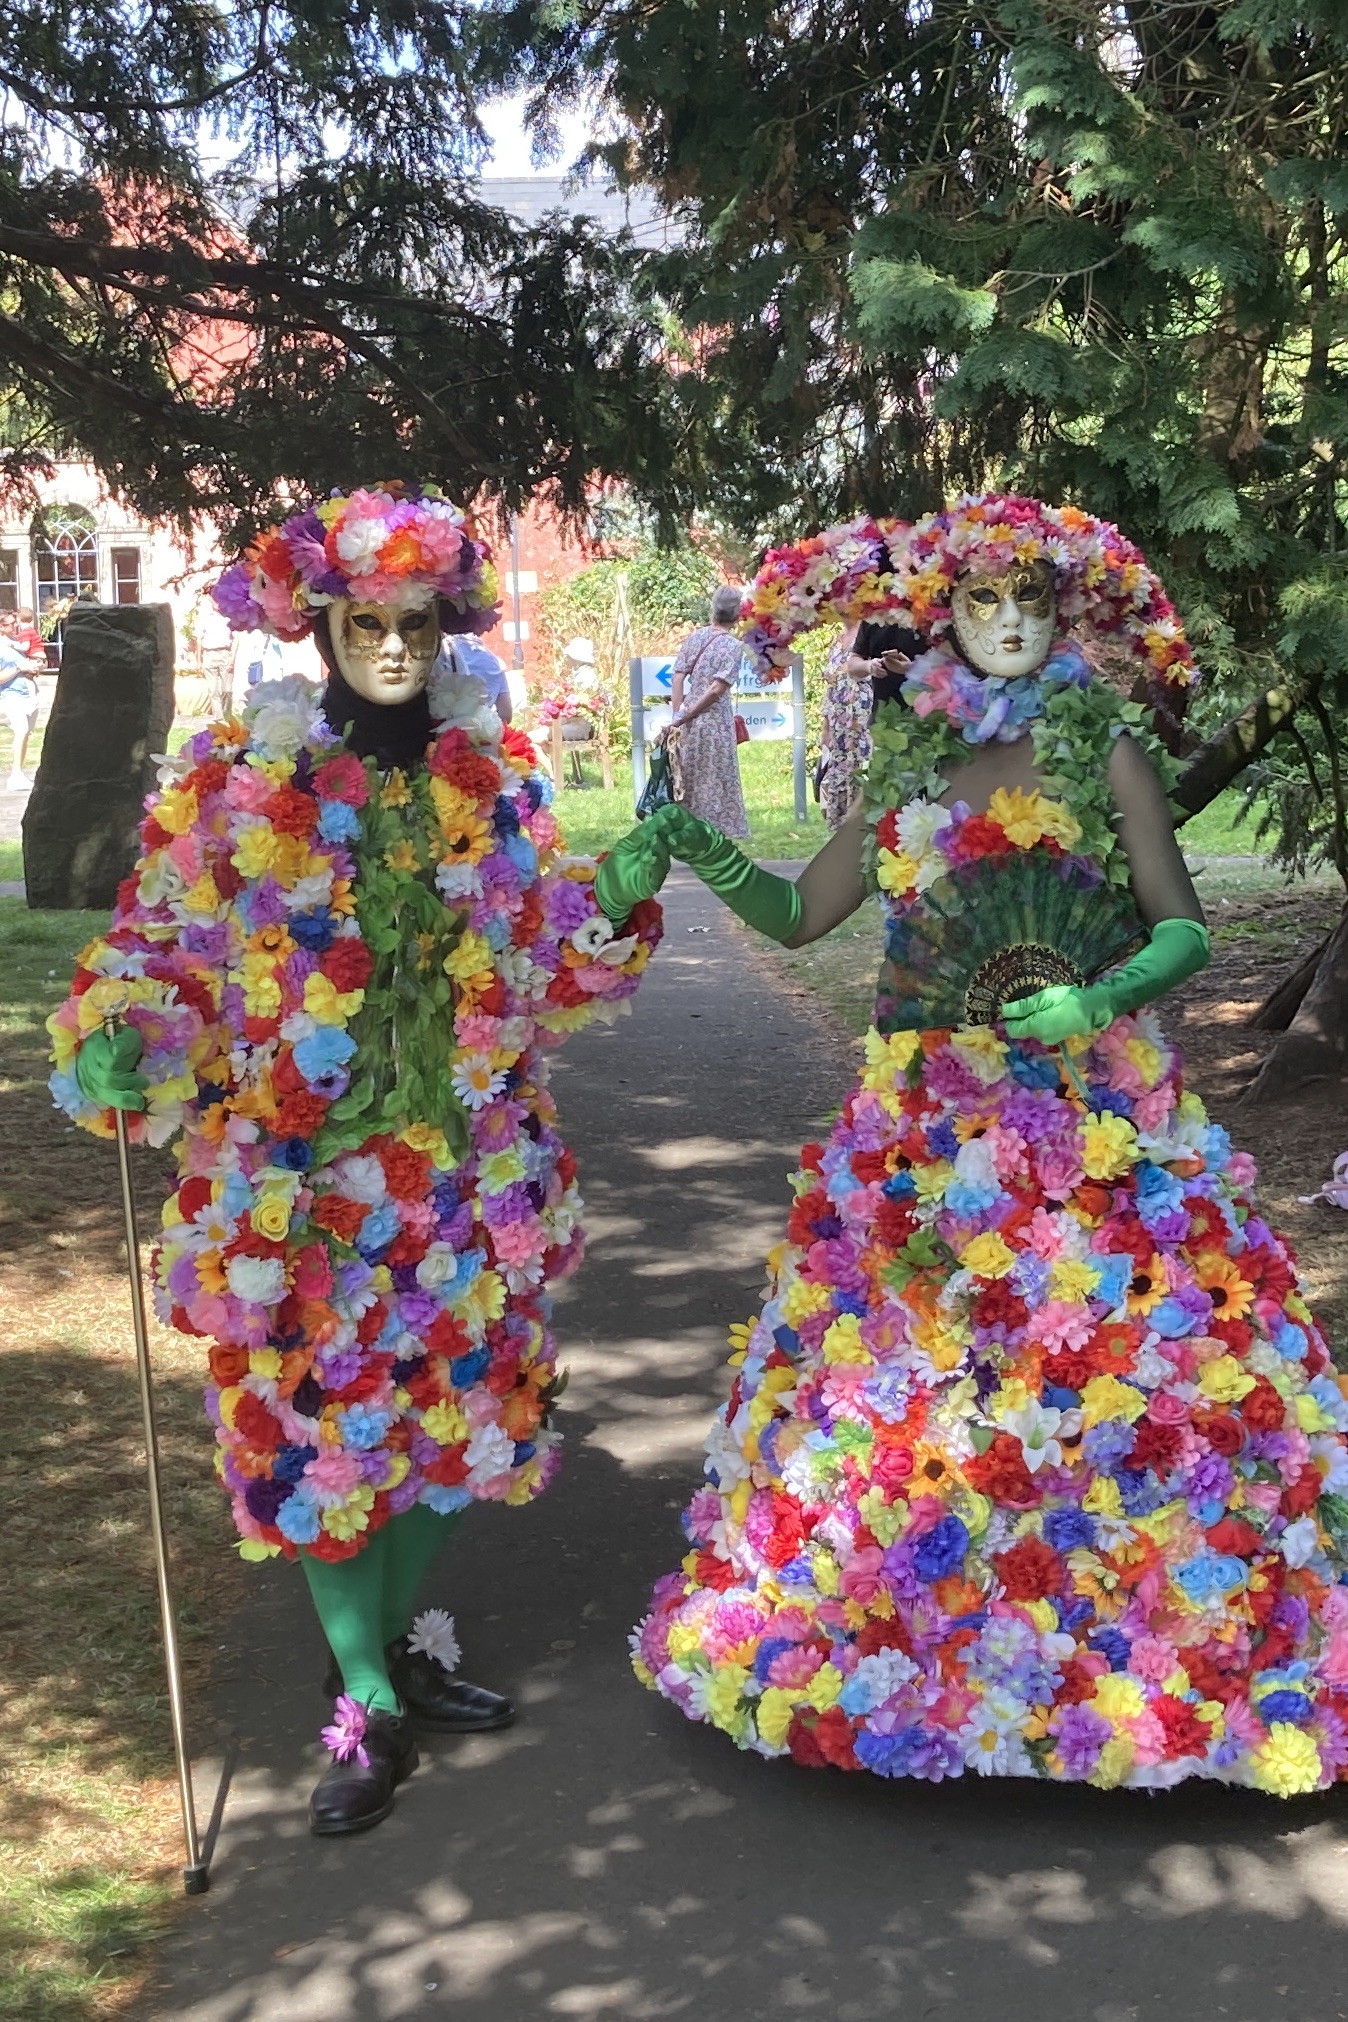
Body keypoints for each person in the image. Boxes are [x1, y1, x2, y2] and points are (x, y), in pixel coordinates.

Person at [596, 493, 1348, 1796]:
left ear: (1066, 612)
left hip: (1096, 1128)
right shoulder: (908, 757)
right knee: (921, 1393)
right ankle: (930, 1663)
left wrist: (1100, 998)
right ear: (944, 613)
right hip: (923, 1134)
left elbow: (1181, 926)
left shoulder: (1103, 745)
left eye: (1031, 600)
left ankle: (1128, 1667)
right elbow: (798, 913)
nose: (1005, 622)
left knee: (1113, 1376)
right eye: (981, 600)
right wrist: (697, 844)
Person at [49, 482, 662, 1835]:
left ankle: (389, 1645)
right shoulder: (235, 780)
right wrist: (122, 1027)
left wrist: (618, 901)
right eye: (362, 618)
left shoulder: (496, 786)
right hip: (301, 1183)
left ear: (453, 626)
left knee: (462, 1426)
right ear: (313, 621)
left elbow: (548, 961)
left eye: (420, 619)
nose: (393, 645)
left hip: (464, 1175)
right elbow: (163, 939)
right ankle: (369, 1693)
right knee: (320, 1438)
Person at [665, 586, 750, 838]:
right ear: (737, 615)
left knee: (689, 776)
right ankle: (715, 833)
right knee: (716, 777)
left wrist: (679, 714)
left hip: (688, 723)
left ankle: (689, 831)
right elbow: (716, 690)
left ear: (713, 609)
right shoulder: (733, 647)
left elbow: (678, 676)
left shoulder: (695, 638)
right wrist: (687, 714)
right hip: (714, 723)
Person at [818, 622, 871, 830]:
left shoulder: (868, 635)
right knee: (838, 775)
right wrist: (825, 728)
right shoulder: (838, 639)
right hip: (838, 724)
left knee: (859, 773)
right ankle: (840, 830)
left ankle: (858, 830)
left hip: (860, 721)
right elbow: (830, 687)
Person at [0, 610, 44, 792]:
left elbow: (28, 662)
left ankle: (19, 773)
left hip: (28, 693)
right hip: (10, 695)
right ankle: (15, 775)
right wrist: (19, 667)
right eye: (11, 624)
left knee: (26, 732)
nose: (15, 626)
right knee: (21, 729)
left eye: (15, 623)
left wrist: (35, 667)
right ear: (1, 627)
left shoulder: (17, 643)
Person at [443, 632, 513, 724]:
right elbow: (505, 715)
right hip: (479, 733)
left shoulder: (444, 651)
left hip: (442, 731)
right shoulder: (495, 662)